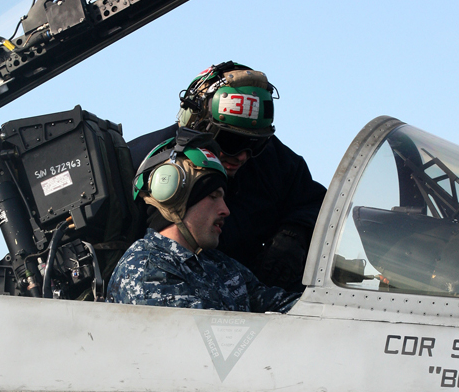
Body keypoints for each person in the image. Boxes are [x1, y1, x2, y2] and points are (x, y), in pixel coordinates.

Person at [128, 61, 326, 292]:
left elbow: (315, 202)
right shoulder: (145, 163)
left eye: (255, 143)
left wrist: (294, 234)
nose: (242, 156)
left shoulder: (273, 162)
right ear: (198, 127)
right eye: (231, 141)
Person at [107, 131, 300, 313]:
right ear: (174, 198)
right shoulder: (147, 270)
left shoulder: (219, 265)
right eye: (213, 196)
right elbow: (199, 341)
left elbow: (281, 304)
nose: (225, 210)